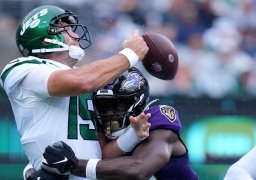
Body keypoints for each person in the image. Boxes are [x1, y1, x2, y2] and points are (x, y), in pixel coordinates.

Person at [0, 4, 149, 180]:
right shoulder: (22, 69)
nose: (76, 35)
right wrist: (130, 54)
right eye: (66, 30)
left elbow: (99, 157)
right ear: (43, 39)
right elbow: (82, 81)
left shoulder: (84, 76)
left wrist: (133, 135)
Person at [38, 67, 199, 179]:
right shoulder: (95, 129)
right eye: (104, 105)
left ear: (138, 101)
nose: (109, 113)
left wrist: (74, 165)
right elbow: (101, 159)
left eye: (118, 104)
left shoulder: (156, 120)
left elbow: (139, 169)